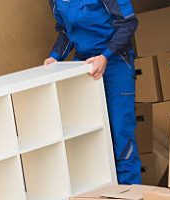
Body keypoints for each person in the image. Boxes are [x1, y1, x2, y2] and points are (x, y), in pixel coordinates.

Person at [44, 0, 141, 184]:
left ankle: (129, 191)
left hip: (115, 61)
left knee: (120, 133)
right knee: (89, 135)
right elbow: (65, 30)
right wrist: (55, 57)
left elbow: (128, 23)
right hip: (84, 64)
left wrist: (105, 55)